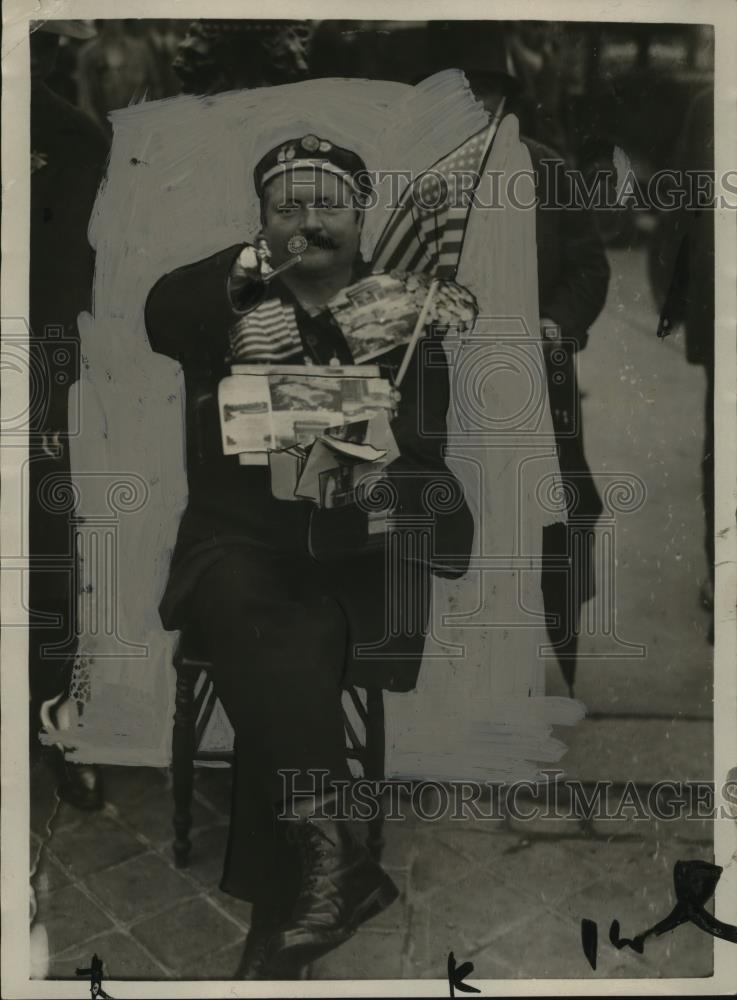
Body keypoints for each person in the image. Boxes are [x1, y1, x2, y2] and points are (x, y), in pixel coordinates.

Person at [144, 135, 475, 977]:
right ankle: (334, 872)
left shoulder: (403, 330)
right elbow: (158, 312)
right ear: (260, 224)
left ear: (362, 221)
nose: (308, 221)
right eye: (285, 206)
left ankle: (295, 910)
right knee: (259, 616)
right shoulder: (226, 307)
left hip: (346, 561)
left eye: (328, 203)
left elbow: (433, 485)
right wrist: (242, 310)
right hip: (237, 541)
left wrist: (384, 440)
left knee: (277, 648)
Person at [426, 21, 610, 692]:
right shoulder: (420, 178)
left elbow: (588, 270)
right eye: (457, 95)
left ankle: (546, 656)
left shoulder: (545, 171)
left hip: (532, 377)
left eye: (484, 94)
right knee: (451, 510)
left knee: (553, 511)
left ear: (506, 100)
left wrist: (552, 324)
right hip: (440, 383)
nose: (473, 108)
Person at [30, 20, 109, 809]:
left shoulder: (71, 138)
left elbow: (73, 276)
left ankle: (53, 716)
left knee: (46, 555)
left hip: (40, 375)